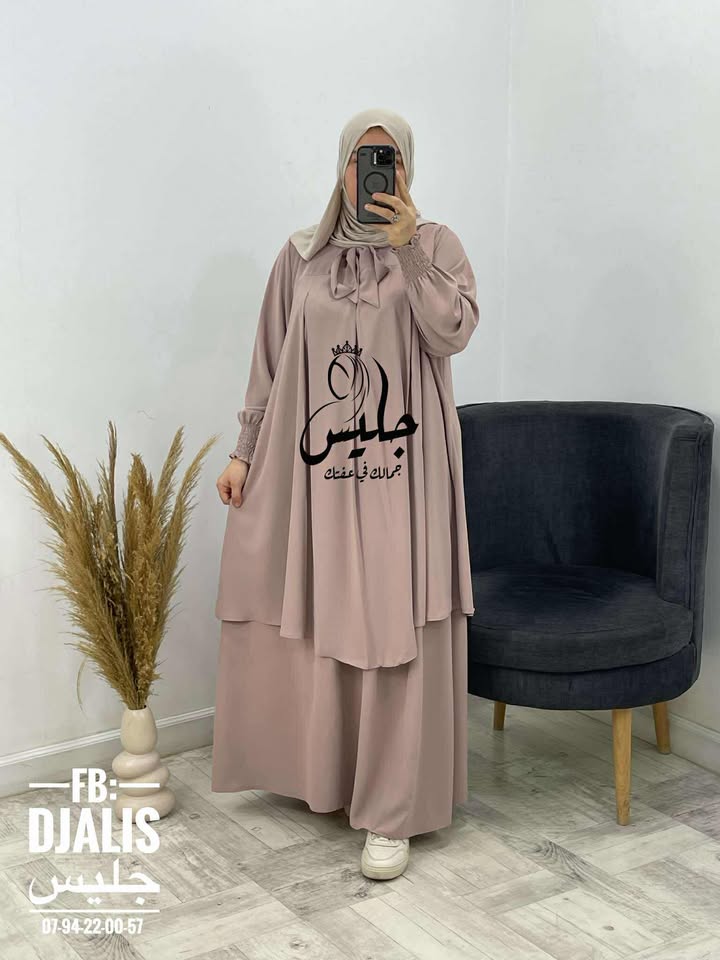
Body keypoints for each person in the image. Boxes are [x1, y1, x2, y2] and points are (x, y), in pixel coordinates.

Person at [212, 107, 479, 881]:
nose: (375, 174)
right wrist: (243, 453)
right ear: (341, 168)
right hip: (316, 472)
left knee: (394, 617)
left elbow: (452, 331)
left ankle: (393, 808)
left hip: (405, 470)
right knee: (322, 605)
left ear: (408, 170)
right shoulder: (301, 256)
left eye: (389, 160)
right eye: (363, 159)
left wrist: (408, 248)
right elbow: (269, 362)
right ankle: (324, 777)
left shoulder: (436, 246)